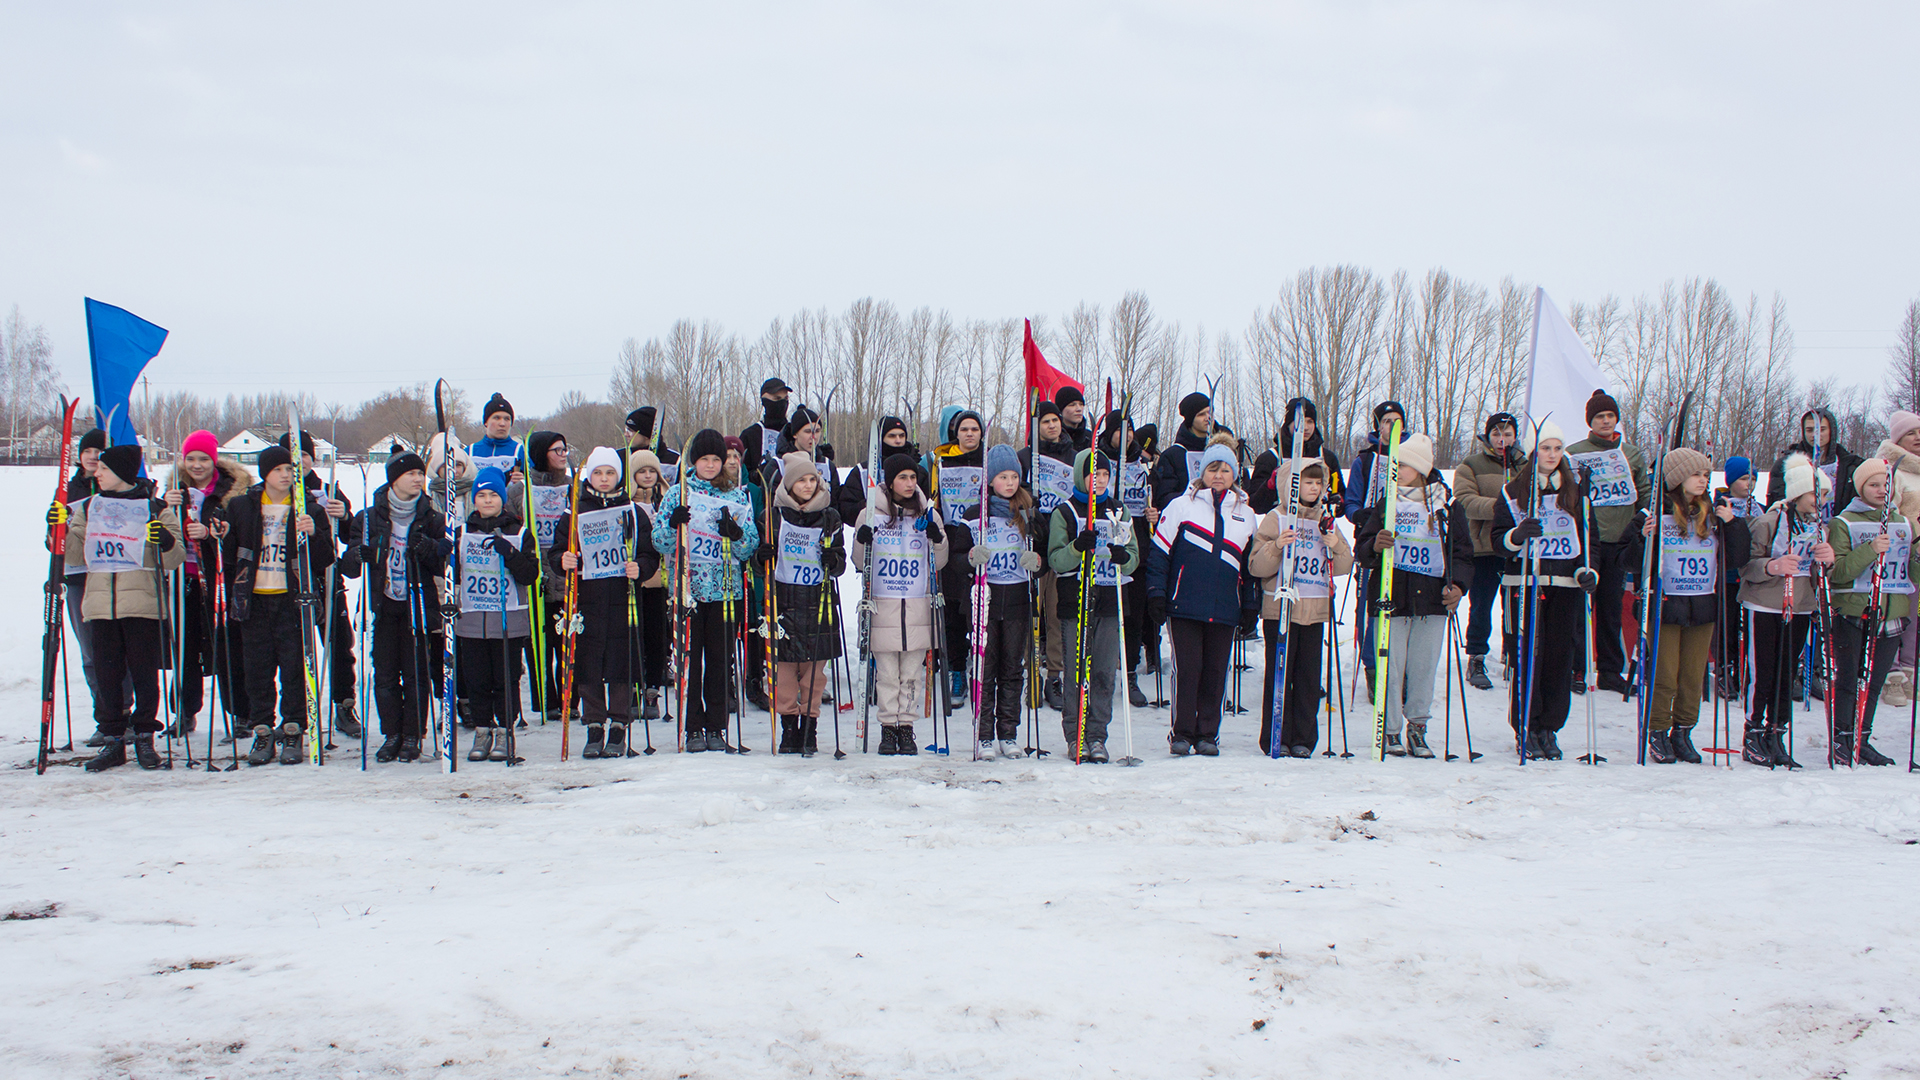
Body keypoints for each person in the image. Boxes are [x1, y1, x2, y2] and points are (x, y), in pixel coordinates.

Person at [59, 444, 186, 770]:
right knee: (107, 675)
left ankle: (144, 736)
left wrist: (165, 540)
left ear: (122, 472)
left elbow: (175, 557)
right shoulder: (90, 507)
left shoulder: (155, 508)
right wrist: (59, 528)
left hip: (142, 604)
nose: (97, 473)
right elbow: (73, 555)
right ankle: (113, 738)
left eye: (104, 469)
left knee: (144, 674)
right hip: (101, 605)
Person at [1354, 433, 1472, 758]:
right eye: (1395, 464)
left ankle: (1418, 728)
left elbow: (1462, 552)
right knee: (1390, 669)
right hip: (1392, 598)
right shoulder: (1387, 503)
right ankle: (1389, 728)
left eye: (1403, 465)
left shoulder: (1446, 506)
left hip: (1432, 600)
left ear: (1420, 468)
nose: (1397, 470)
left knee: (1423, 669)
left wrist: (1459, 585)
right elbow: (1362, 550)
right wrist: (1374, 546)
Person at [1146, 434, 1261, 756]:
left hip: (1225, 606)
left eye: (1225, 469)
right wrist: (1156, 594)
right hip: (1185, 604)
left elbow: (1250, 568)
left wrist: (1250, 606)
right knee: (1188, 670)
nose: (1218, 475)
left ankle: (1208, 733)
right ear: (1202, 472)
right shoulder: (1181, 506)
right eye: (1212, 469)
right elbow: (1159, 555)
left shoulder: (1246, 514)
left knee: (1215, 671)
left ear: (1234, 473)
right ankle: (1182, 733)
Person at [223, 443, 334, 766]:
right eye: (278, 469)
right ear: (265, 473)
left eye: (290, 469)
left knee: (294, 667)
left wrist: (314, 534)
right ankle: (262, 729)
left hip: (292, 600)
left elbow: (326, 558)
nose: (286, 475)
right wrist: (221, 534)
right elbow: (229, 555)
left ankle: (293, 729)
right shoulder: (242, 507)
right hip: (254, 598)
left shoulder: (308, 508)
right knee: (257, 669)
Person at [652, 429, 756, 752]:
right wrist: (673, 524)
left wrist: (736, 533)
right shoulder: (677, 494)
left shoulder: (736, 496)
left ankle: (716, 726)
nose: (710, 465)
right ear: (694, 461)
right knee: (690, 662)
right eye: (704, 459)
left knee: (720, 662)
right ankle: (692, 726)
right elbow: (659, 542)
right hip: (688, 591)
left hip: (725, 591)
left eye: (716, 459)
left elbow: (749, 545)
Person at [343, 446, 449, 763]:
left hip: (418, 604)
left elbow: (443, 563)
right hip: (384, 604)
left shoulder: (432, 517)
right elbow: (349, 566)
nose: (418, 479)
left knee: (416, 672)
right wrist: (360, 554)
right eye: (411, 474)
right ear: (394, 479)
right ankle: (392, 734)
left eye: (420, 473)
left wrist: (428, 547)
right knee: (385, 673)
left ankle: (413, 734)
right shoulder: (368, 518)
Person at [1492, 421, 1588, 760]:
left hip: (1564, 584)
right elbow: (1497, 540)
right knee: (1528, 655)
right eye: (1545, 448)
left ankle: (1549, 727)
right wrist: (1516, 536)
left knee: (1560, 658)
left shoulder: (1575, 491)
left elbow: (1588, 539)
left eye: (1557, 449)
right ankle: (1526, 725)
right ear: (1534, 452)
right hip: (1524, 584)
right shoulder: (1513, 491)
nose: (1552, 455)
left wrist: (1586, 570)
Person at [551, 448, 653, 759]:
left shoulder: (632, 511)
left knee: (621, 662)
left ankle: (619, 724)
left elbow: (649, 553)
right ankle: (594, 725)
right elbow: (557, 551)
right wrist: (563, 560)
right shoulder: (574, 511)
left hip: (623, 598)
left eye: (610, 473)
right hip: (587, 599)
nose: (604, 479)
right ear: (589, 476)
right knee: (589, 663)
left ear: (619, 476)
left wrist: (640, 567)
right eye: (598, 473)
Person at [1248, 457, 1352, 757]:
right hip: (1281, 609)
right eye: (1308, 482)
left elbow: (1345, 564)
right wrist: (1276, 546)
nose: (1315, 488)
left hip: (1314, 610)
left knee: (1308, 678)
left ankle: (1304, 739)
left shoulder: (1325, 518)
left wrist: (1334, 544)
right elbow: (1256, 566)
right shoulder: (1276, 518)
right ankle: (1275, 735)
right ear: (1292, 485)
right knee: (1280, 675)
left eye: (1319, 483)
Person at [1639, 448, 1736, 763]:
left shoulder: (1714, 514)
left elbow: (1737, 558)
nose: (1702, 480)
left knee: (1693, 676)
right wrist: (1644, 537)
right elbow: (1627, 560)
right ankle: (1657, 730)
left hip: (1702, 605)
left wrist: (1733, 525)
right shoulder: (1655, 512)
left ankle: (1682, 731)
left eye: (1706, 475)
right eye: (1696, 474)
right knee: (1665, 674)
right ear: (1678, 478)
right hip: (1665, 606)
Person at [849, 453, 950, 755]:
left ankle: (906, 726)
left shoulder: (928, 513)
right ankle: (887, 728)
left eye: (913, 477)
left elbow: (939, 562)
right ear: (890, 481)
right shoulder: (871, 513)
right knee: (887, 676)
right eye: (902, 477)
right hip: (883, 607)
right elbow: (860, 562)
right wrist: (862, 540)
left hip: (917, 607)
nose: (909, 483)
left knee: (911, 675)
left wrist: (937, 539)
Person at [1737, 453, 1832, 767]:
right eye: (1815, 493)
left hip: (1800, 606)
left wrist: (1827, 561)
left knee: (1785, 673)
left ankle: (1776, 732)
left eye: (1825, 495)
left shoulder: (1819, 527)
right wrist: (1773, 566)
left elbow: (1821, 575)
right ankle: (1752, 732)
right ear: (1797, 493)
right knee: (1762, 672)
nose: (1820, 501)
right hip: (1764, 605)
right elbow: (1746, 566)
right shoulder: (1769, 522)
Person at [1045, 449, 1140, 763]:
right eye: (1092, 474)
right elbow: (1056, 559)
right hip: (1076, 601)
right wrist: (1076, 548)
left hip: (1110, 601)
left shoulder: (1119, 511)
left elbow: (1133, 557)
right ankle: (1076, 735)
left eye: (1104, 475)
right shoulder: (1066, 512)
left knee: (1103, 673)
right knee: (1076, 672)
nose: (1098, 480)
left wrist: (1124, 558)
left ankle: (1097, 735)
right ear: (1080, 476)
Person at [1824, 456, 1917, 767]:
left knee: (1874, 683)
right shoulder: (1844, 522)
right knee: (1850, 679)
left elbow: (1912, 573)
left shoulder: (1903, 522)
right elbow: (1838, 573)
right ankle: (1842, 739)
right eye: (1873, 485)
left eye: (1885, 485)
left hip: (1892, 614)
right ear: (1860, 487)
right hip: (1854, 612)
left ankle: (1862, 738)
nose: (1880, 490)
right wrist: (1870, 549)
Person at [162, 430, 252, 739]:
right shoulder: (175, 489)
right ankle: (184, 712)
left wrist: (212, 535)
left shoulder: (232, 491)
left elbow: (242, 535)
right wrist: (165, 507)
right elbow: (158, 532)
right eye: (190, 459)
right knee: (185, 647)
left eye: (203, 459)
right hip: (183, 576)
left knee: (228, 646)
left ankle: (240, 712)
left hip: (219, 578)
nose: (196, 465)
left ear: (214, 460)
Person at [450, 466, 540, 763]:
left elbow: (530, 575)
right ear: (474, 499)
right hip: (472, 620)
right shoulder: (462, 533)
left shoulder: (520, 533)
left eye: (493, 495)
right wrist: (443, 553)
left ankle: (504, 730)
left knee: (505, 679)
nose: (487, 500)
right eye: (481, 495)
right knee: (476, 680)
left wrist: (510, 554)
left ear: (503, 498)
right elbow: (453, 573)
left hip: (508, 621)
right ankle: (482, 729)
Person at [759, 452, 846, 757]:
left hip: (817, 604)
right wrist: (761, 557)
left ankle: (809, 728)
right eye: (801, 481)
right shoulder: (772, 516)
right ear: (788, 485)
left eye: (812, 480)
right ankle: (788, 727)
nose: (808, 485)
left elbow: (840, 564)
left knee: (814, 675)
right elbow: (757, 564)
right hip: (783, 602)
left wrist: (833, 559)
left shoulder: (830, 517)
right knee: (783, 674)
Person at [1565, 390, 1650, 697]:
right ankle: (1576, 668)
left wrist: (1643, 519)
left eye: (1610, 416)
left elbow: (1644, 491)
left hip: (1620, 539)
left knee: (1611, 608)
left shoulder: (1632, 453)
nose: (1605, 421)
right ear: (1590, 421)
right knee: (1579, 608)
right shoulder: (1575, 452)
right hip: (1587, 541)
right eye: (1599, 416)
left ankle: (1610, 671)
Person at [279, 428, 363, 738]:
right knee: (291, 650)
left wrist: (345, 516)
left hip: (326, 577)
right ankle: (295, 712)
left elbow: (350, 536)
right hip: (288, 580)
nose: (297, 462)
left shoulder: (329, 489)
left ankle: (344, 704)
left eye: (303, 455)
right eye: (291, 456)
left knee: (339, 644)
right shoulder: (274, 492)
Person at [967, 444, 1042, 758]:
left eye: (1014, 476)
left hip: (1017, 601)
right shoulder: (975, 514)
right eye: (1002, 477)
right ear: (990, 480)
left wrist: (1037, 562)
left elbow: (1043, 557)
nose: (1009, 483)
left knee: (1012, 669)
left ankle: (1008, 734)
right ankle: (983, 735)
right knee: (985, 669)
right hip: (986, 600)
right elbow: (958, 555)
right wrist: (971, 557)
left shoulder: (1029, 513)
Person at [1453, 412, 1526, 690]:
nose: (1502, 439)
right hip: (1484, 548)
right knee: (1481, 606)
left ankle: (1513, 655)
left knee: (1515, 607)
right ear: (1488, 436)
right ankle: (1476, 656)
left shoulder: (1526, 465)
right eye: (1496, 433)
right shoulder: (1471, 465)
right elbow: (1465, 501)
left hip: (1517, 549)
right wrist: (1504, 508)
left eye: (1507, 433)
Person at [1100, 409, 1160, 706]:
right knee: (1102, 614)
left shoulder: (1144, 464)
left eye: (1130, 430)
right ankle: (1097, 672)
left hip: (1137, 546)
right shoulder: (1099, 461)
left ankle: (1131, 672)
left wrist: (1155, 513)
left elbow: (1158, 499)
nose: (1126, 436)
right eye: (1120, 430)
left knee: (1134, 613)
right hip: (1103, 547)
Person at [1021, 400, 1078, 710]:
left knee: (1056, 614)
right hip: (1031, 546)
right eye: (1045, 421)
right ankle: (1030, 672)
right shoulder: (1024, 457)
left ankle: (1054, 675)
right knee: (1031, 613)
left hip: (1061, 545)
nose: (1052, 425)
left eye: (1055, 420)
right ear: (1036, 426)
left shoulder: (1074, 457)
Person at [932, 407, 987, 702]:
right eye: (964, 429)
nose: (969, 434)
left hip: (983, 543)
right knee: (953, 613)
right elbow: (933, 500)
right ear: (956, 433)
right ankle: (956, 670)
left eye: (974, 429)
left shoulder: (989, 461)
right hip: (952, 544)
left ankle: (981, 669)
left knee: (980, 612)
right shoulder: (942, 461)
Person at [1868, 411, 1920, 708]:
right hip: (1900, 552)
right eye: (1911, 433)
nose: (1918, 438)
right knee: (1894, 612)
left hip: (1919, 557)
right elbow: (1888, 509)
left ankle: (1911, 670)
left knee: (1915, 614)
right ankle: (1892, 673)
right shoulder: (1891, 466)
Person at [522, 430, 572, 721]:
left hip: (565, 575)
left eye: (565, 449)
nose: (563, 455)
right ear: (542, 454)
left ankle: (569, 697)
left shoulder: (574, 487)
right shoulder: (521, 491)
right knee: (540, 643)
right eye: (557, 450)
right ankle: (545, 699)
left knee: (568, 639)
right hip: (536, 578)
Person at [1715, 455, 1763, 698]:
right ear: (1731, 480)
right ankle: (1724, 669)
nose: (1749, 483)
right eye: (1744, 478)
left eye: (1753, 478)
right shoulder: (1721, 505)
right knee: (1727, 625)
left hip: (1751, 576)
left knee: (1747, 628)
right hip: (1727, 576)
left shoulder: (1759, 507)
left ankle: (1744, 671)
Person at [627, 448, 671, 720]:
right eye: (641, 471)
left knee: (657, 636)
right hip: (633, 581)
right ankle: (633, 688)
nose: (647, 476)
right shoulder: (625, 503)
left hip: (659, 580)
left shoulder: (665, 501)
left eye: (652, 471)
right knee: (635, 636)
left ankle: (652, 689)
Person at [1249, 398, 1343, 517]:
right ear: (1289, 423)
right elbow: (1255, 506)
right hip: (1280, 523)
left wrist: (1338, 502)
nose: (1306, 427)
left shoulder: (1327, 457)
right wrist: (1270, 486)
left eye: (1310, 422)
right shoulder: (1270, 458)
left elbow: (1341, 500)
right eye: (1300, 421)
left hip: (1317, 523)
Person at [1768, 407, 1862, 521]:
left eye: (1822, 429)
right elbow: (1776, 501)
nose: (1815, 434)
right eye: (1809, 430)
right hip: (1801, 528)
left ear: (1832, 431)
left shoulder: (1850, 465)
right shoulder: (1788, 464)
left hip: (1839, 527)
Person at [1343, 400, 1409, 524]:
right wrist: (1357, 515)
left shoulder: (1414, 458)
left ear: (1402, 426)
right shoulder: (1364, 460)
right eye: (1387, 421)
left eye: (1397, 421)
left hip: (1405, 526)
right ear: (1379, 427)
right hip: (1369, 528)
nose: (1392, 425)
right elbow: (1351, 501)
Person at [1150, 392, 1215, 511]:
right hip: (1186, 516)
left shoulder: (1221, 450)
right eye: (1201, 414)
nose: (1208, 418)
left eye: (1210, 412)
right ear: (1191, 419)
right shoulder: (1173, 455)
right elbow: (1164, 498)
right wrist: (1196, 496)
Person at [739, 377, 792, 479]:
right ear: (764, 401)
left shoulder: (793, 433)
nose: (782, 404)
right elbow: (741, 472)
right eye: (777, 399)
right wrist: (756, 475)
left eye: (785, 399)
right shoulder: (750, 435)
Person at [467, 394, 524, 480]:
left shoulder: (521, 451)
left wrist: (523, 482)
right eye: (497, 418)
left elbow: (534, 482)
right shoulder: (470, 451)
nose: (502, 424)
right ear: (486, 422)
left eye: (507, 419)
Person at [1056, 385, 1093, 452]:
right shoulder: (1054, 437)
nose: (1079, 409)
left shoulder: (1090, 438)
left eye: (1081, 404)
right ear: (1061, 410)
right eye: (1072, 405)